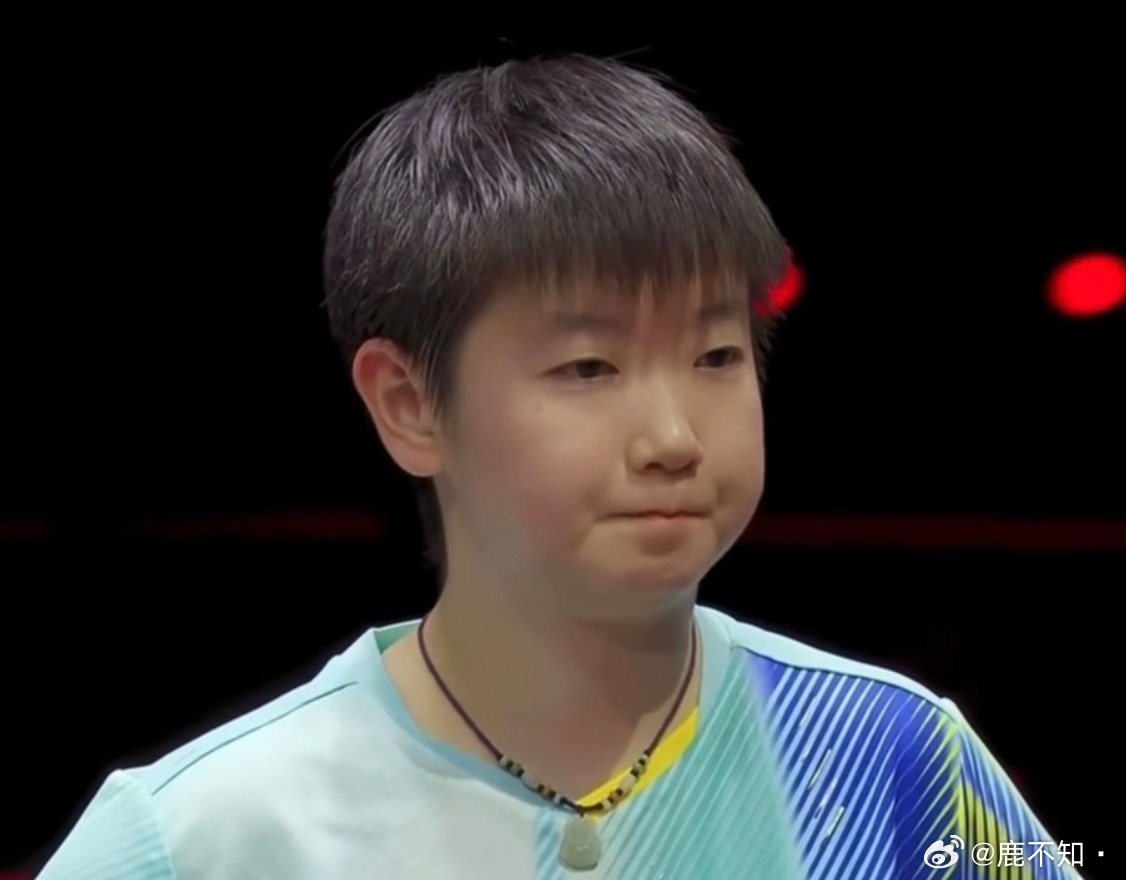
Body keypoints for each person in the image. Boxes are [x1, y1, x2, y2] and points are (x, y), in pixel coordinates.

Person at [38, 54, 1083, 879]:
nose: (672, 435)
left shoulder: (895, 758)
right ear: (408, 403)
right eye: (589, 367)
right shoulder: (199, 834)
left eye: (716, 355)